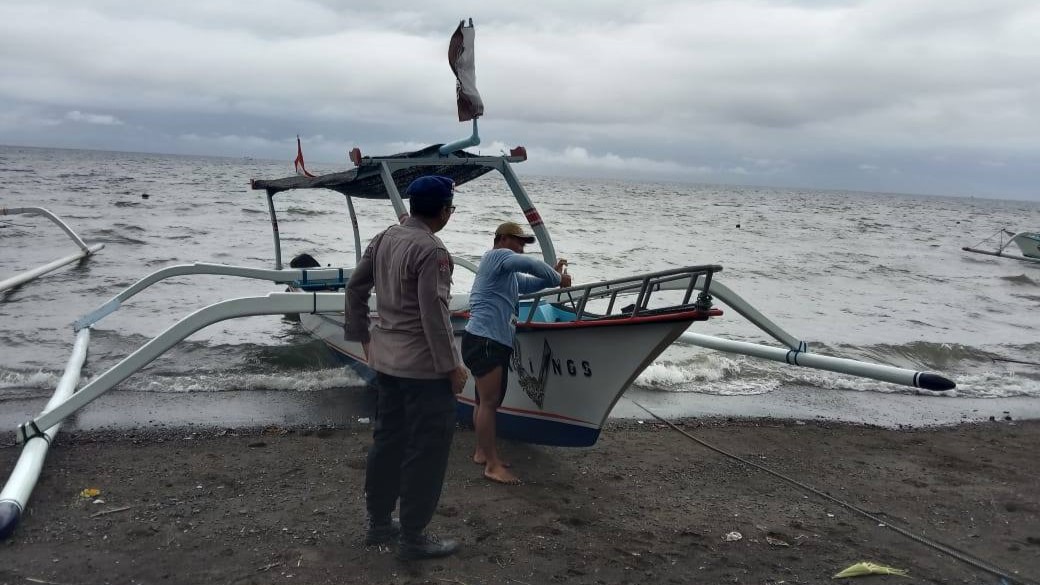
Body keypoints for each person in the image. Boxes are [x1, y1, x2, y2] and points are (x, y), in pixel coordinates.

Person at [344, 175, 469, 561]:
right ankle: (413, 536)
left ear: (413, 205)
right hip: (424, 371)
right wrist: (452, 367)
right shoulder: (432, 250)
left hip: (388, 364)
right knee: (426, 451)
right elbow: (434, 313)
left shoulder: (385, 237)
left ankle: (379, 522)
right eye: (451, 208)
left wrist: (363, 337)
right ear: (444, 211)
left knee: (388, 442)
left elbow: (355, 288)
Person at [462, 221, 572, 484]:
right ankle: (492, 465)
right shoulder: (496, 256)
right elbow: (530, 265)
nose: (522, 247)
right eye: (518, 241)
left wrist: (552, 275)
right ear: (501, 239)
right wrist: (558, 278)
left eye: (524, 243)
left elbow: (530, 283)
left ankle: (481, 452)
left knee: (483, 402)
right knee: (489, 402)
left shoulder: (506, 274)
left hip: (483, 340)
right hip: (486, 340)